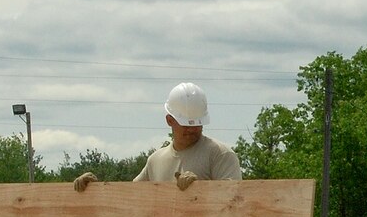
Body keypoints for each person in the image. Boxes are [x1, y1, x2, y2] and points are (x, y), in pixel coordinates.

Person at [73, 82, 241, 191]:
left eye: (197, 124)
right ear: (169, 120)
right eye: (186, 124)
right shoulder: (156, 160)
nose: (192, 130)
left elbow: (234, 203)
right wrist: (94, 190)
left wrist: (200, 189)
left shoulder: (220, 155)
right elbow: (130, 198)